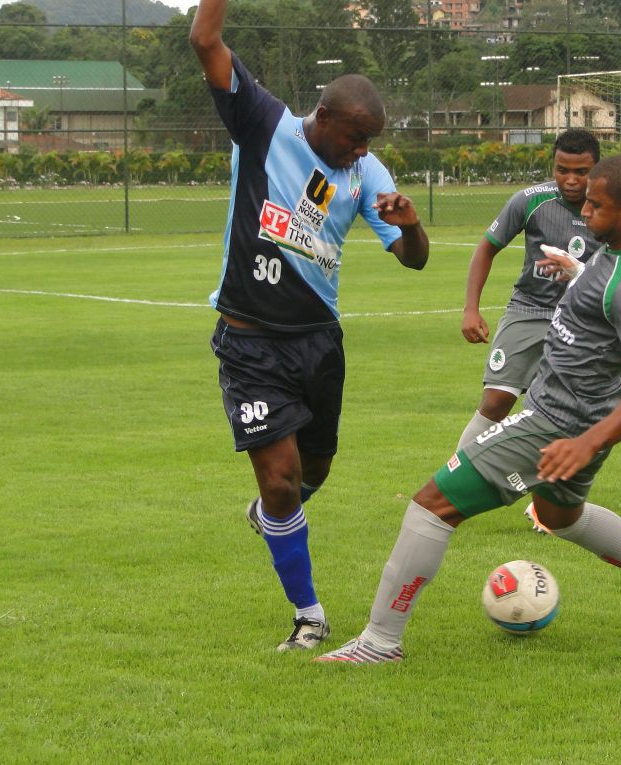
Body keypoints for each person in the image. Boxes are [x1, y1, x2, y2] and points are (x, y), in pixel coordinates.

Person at [316, 154, 621, 665]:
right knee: (557, 516)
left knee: (432, 504)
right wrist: (580, 275)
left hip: (557, 423)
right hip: (582, 415)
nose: (583, 212)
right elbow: (616, 298)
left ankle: (379, 642)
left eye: (596, 204)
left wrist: (586, 441)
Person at [190, 0, 429, 652]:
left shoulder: (364, 172)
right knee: (278, 477)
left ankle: (276, 516)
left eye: (369, 141)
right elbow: (204, 38)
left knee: (313, 469)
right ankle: (309, 614)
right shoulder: (263, 123)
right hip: (249, 338)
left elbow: (413, 260)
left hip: (319, 343)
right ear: (322, 116)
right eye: (353, 136)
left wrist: (410, 224)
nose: (360, 149)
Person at [455, 129, 600, 534]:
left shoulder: (604, 207)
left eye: (582, 172)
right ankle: (456, 479)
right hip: (529, 310)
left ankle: (544, 506)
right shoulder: (530, 200)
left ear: (596, 169)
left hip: (579, 322)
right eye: (563, 170)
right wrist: (471, 308)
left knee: (562, 416)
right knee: (497, 398)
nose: (571, 180)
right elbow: (487, 246)